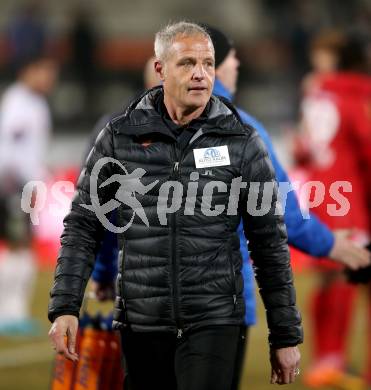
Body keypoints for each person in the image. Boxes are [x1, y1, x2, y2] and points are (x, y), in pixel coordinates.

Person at [90, 26, 371, 389]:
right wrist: (331, 245)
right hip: (218, 308)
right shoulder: (241, 128)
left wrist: (103, 271)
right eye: (233, 59)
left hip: (146, 308)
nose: (237, 66)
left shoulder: (127, 128)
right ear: (217, 67)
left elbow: (109, 211)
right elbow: (277, 210)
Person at [48, 22, 303, 389]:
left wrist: (285, 334)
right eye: (186, 63)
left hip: (215, 320)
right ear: (160, 70)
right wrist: (66, 307)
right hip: (141, 322)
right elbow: (84, 226)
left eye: (208, 63)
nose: (201, 74)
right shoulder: (119, 138)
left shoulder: (242, 141)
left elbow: (269, 242)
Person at [294, 31, 371, 388]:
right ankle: (332, 357)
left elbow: (301, 149)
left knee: (330, 277)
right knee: (345, 277)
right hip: (350, 199)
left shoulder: (316, 92)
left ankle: (326, 357)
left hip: (322, 195)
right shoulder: (354, 94)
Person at [0, 53, 58, 334]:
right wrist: (29, 184)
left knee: (21, 245)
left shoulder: (34, 102)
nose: (50, 78)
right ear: (29, 70)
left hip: (20, 182)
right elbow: (13, 150)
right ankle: (8, 313)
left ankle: (14, 311)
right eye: (45, 71)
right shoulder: (19, 102)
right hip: (13, 184)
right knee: (18, 244)